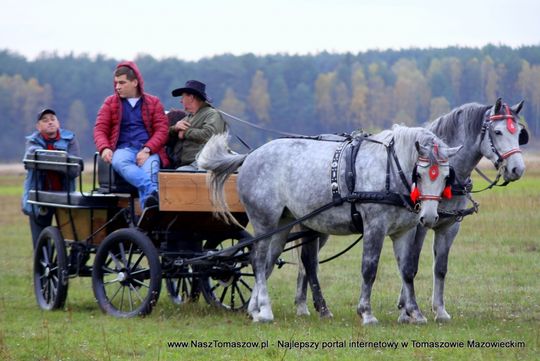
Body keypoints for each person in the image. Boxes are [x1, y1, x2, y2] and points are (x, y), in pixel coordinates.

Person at [94, 61, 169, 208]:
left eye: (122, 83)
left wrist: (147, 150)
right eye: (116, 83)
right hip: (123, 150)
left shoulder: (154, 102)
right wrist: (105, 148)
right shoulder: (110, 103)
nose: (117, 87)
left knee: (151, 171)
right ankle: (153, 192)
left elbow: (162, 130)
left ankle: (147, 221)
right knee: (119, 161)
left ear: (135, 82)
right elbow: (100, 129)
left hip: (148, 151)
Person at [22, 108, 80, 248]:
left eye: (53, 119)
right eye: (45, 120)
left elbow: (75, 169)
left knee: (73, 238)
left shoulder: (70, 139)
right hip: (39, 197)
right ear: (38, 126)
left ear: (58, 123)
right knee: (40, 242)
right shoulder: (32, 141)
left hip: (65, 196)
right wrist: (62, 160)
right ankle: (42, 269)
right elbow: (32, 161)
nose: (50, 122)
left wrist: (48, 160)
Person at [169, 80, 226, 170]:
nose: (181, 101)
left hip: (204, 163)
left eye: (183, 97)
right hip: (189, 164)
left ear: (191, 97)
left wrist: (186, 132)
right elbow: (167, 133)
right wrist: (175, 128)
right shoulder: (189, 117)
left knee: (180, 174)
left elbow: (210, 135)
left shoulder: (212, 114)